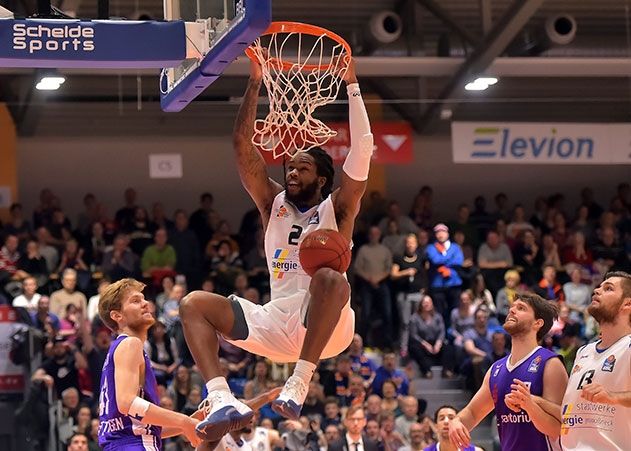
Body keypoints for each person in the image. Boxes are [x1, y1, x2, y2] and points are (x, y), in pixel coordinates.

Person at [179, 57, 371, 441]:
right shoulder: (273, 203)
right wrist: (254, 83)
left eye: (301, 168)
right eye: (290, 167)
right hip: (276, 322)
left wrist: (352, 86)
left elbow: (363, 146)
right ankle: (220, 398)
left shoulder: (340, 207)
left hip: (327, 328)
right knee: (193, 304)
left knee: (332, 278)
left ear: (322, 177)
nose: (291, 173)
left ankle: (300, 381)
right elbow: (241, 146)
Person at [449, 292, 568, 451]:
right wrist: (457, 421)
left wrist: (529, 405)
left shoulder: (550, 363)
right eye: (512, 307)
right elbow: (472, 412)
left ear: (537, 323)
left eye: (521, 308)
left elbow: (559, 429)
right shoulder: (496, 369)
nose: (512, 311)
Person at [96, 278, 200, 450]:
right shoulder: (130, 344)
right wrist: (183, 420)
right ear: (117, 316)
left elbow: (139, 428)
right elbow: (127, 403)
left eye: (144, 299)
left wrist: (184, 423)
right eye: (136, 301)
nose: (145, 304)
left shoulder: (118, 348)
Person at [560, 271, 631, 450]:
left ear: (627, 304)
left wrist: (613, 397)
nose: (597, 291)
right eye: (599, 287)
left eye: (608, 289)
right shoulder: (584, 351)